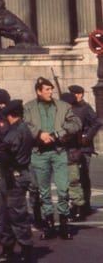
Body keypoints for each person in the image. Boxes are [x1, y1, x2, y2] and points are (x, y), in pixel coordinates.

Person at [23, 76, 82, 240]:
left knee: (63, 189)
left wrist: (59, 133)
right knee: (44, 192)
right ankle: (49, 224)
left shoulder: (62, 106)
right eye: (47, 89)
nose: (50, 92)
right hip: (39, 153)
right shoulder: (28, 107)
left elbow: (76, 123)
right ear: (38, 91)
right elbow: (24, 125)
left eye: (51, 89)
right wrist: (39, 134)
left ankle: (63, 224)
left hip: (58, 151)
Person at [0, 99, 34, 263]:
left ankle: (26, 251)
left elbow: (6, 153)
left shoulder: (17, 131)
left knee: (17, 216)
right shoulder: (18, 129)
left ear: (10, 115)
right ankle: (8, 250)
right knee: (3, 215)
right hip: (8, 177)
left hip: (14, 176)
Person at [68, 84, 102, 215]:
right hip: (73, 148)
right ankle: (77, 204)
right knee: (73, 178)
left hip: (84, 148)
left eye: (74, 93)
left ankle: (85, 205)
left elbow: (97, 122)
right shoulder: (70, 107)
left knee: (82, 176)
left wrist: (87, 136)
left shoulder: (85, 108)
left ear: (80, 94)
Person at [60, 92, 86, 221]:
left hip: (71, 154)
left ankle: (78, 209)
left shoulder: (74, 117)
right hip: (66, 154)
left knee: (73, 182)